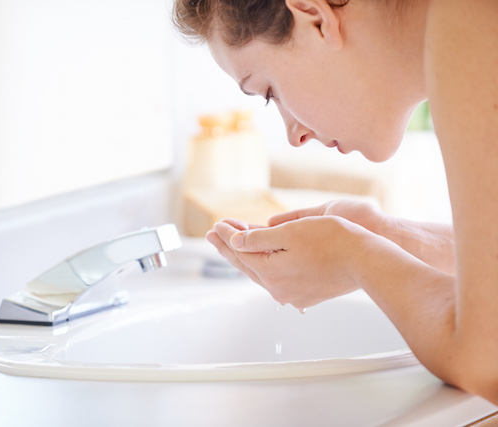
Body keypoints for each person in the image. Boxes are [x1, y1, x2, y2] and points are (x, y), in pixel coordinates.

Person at [173, 0, 498, 404]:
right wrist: (393, 237)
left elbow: (487, 357)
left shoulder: (468, 19)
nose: (294, 135)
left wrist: (355, 257)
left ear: (316, 18)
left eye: (269, 92)